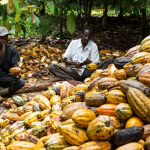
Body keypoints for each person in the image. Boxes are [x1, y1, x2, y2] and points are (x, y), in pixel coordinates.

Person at [49, 26, 114, 81]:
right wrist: (73, 63)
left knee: (110, 60)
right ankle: (71, 80)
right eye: (85, 36)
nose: (87, 38)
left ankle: (90, 78)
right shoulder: (73, 43)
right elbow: (65, 59)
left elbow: (95, 63)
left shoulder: (93, 46)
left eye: (89, 36)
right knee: (52, 67)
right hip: (74, 71)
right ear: (81, 34)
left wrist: (88, 62)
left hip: (88, 72)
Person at [0, 27, 25, 97]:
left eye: (6, 38)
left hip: (6, 76)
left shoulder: (12, 50)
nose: (4, 40)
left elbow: (15, 66)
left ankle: (2, 93)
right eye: (1, 38)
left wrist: (14, 73)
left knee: (20, 82)